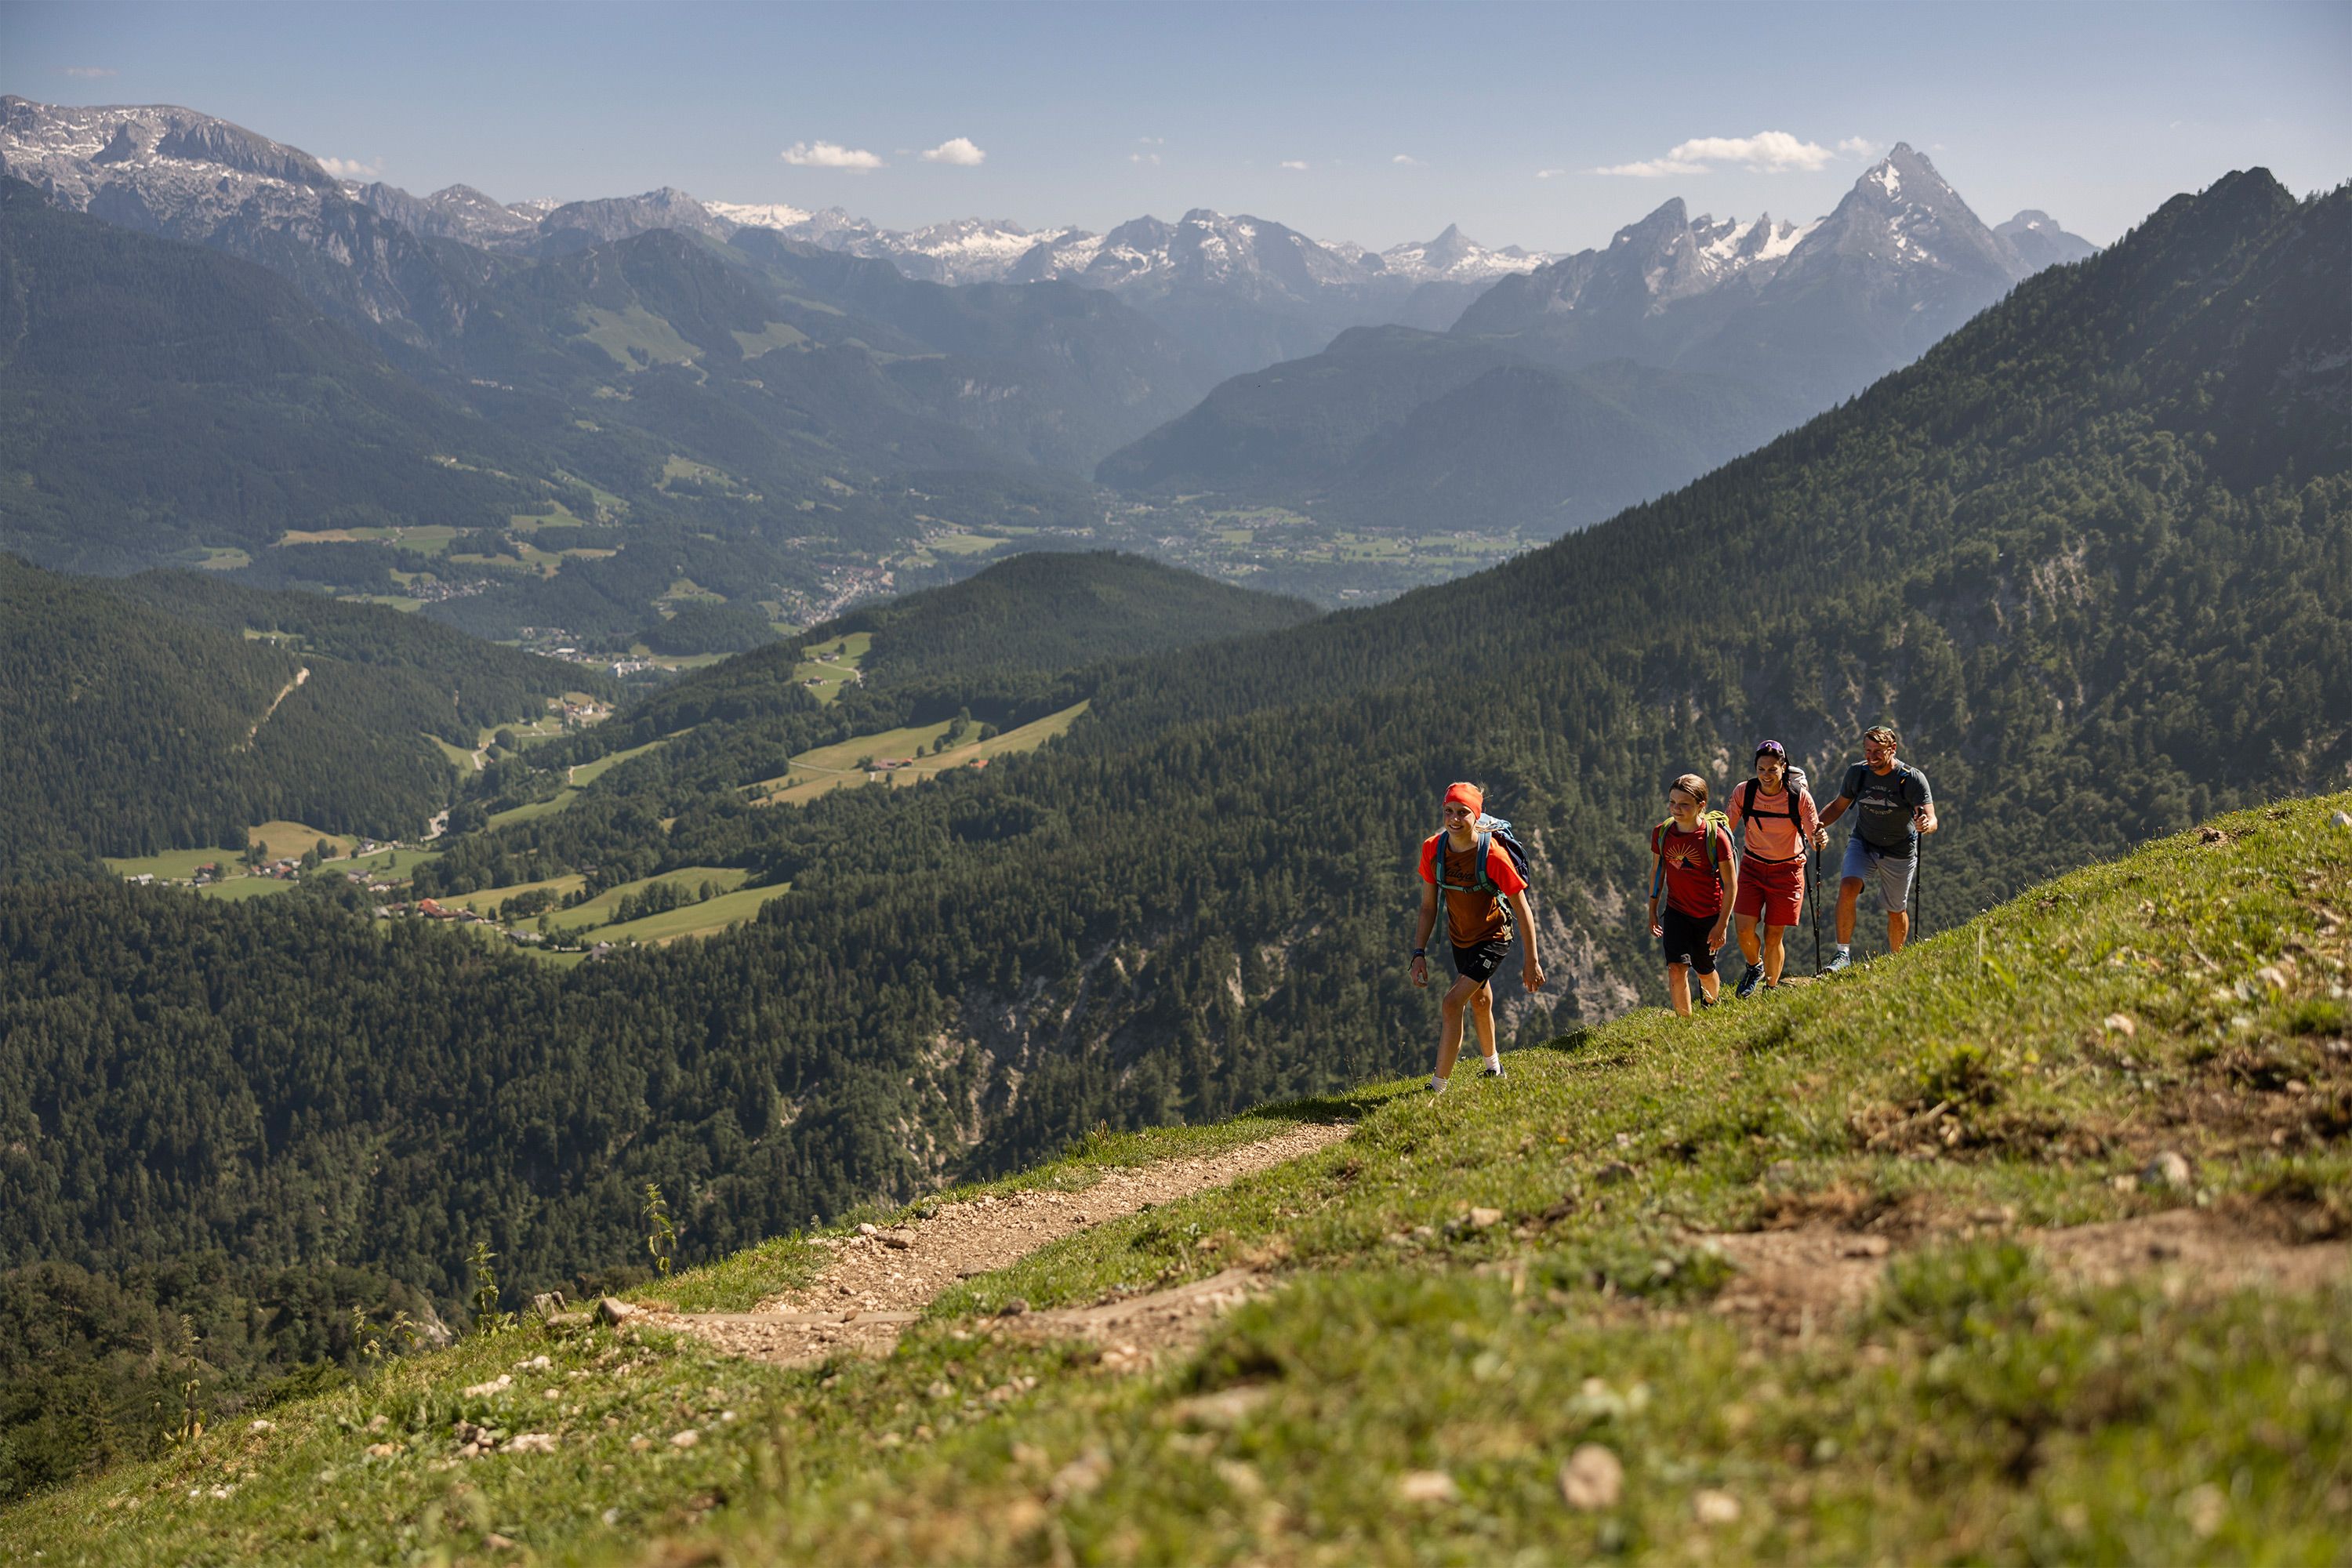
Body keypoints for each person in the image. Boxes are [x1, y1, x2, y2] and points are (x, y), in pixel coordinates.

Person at [1410, 782, 1544, 1091]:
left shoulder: (1493, 855)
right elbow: (1428, 907)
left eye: (1462, 812)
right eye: (1448, 811)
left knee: (1451, 1003)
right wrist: (1419, 952)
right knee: (1481, 1000)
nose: (1454, 819)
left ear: (1476, 815)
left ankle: (1438, 1087)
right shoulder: (1433, 849)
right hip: (1460, 938)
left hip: (1494, 936)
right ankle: (1494, 1069)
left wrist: (1531, 960)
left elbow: (1522, 909)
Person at [1816, 724, 1937, 971]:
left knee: (1895, 909)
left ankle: (1897, 960)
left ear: (1893, 749)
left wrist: (1926, 824)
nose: (1871, 757)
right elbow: (1839, 806)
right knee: (1847, 887)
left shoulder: (1911, 778)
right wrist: (1817, 825)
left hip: (1900, 850)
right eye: (1867, 751)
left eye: (1877, 751)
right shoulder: (1857, 773)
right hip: (1863, 842)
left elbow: (1932, 819)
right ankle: (1842, 955)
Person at [1726, 741, 1821, 996]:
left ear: (1784, 768)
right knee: (1744, 929)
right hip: (1752, 868)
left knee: (1773, 935)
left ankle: (1770, 989)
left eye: (1772, 769)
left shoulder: (1798, 797)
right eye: (1761, 769)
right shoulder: (1744, 792)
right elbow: (1727, 828)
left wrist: (1821, 839)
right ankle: (1754, 966)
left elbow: (1814, 834)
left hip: (1788, 872)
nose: (1766, 775)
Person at [1649, 775, 1738, 1015]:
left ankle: (1710, 1006)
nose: (1676, 809)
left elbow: (1731, 884)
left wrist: (1722, 925)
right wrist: (1653, 910)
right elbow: (1658, 872)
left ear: (1701, 805)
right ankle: (1684, 1025)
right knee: (1676, 968)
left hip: (1709, 915)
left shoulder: (1715, 838)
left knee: (1704, 971)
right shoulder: (1662, 833)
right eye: (1672, 802)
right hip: (1677, 912)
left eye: (1684, 804)